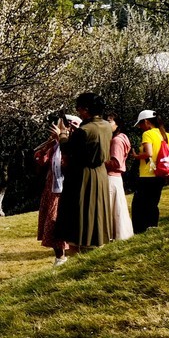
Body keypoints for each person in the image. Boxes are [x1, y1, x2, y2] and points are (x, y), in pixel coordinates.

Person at [52, 92, 113, 252]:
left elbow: (68, 149)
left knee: (79, 212)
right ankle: (95, 240)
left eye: (79, 108)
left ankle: (80, 245)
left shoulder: (84, 130)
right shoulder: (106, 125)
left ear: (85, 109)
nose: (78, 111)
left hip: (82, 175)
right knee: (96, 211)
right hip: (100, 173)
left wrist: (62, 134)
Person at [131, 109, 169, 233]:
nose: (140, 127)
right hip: (160, 175)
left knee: (139, 206)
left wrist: (136, 156)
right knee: (152, 203)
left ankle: (140, 231)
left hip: (147, 174)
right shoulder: (164, 135)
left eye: (141, 124)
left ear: (146, 122)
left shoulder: (147, 134)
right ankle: (152, 228)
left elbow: (149, 153)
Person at [35, 112, 81, 265]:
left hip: (67, 188)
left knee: (59, 221)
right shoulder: (54, 145)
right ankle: (59, 256)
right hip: (52, 187)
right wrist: (49, 143)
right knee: (51, 222)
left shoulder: (72, 144)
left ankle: (68, 254)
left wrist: (62, 141)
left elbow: (69, 163)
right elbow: (40, 159)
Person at [105, 113, 135, 241]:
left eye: (110, 122)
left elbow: (116, 163)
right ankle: (119, 235)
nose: (107, 124)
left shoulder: (117, 140)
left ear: (117, 124)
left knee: (114, 208)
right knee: (117, 207)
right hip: (115, 178)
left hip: (112, 177)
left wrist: (100, 161)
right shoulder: (122, 138)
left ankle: (117, 235)